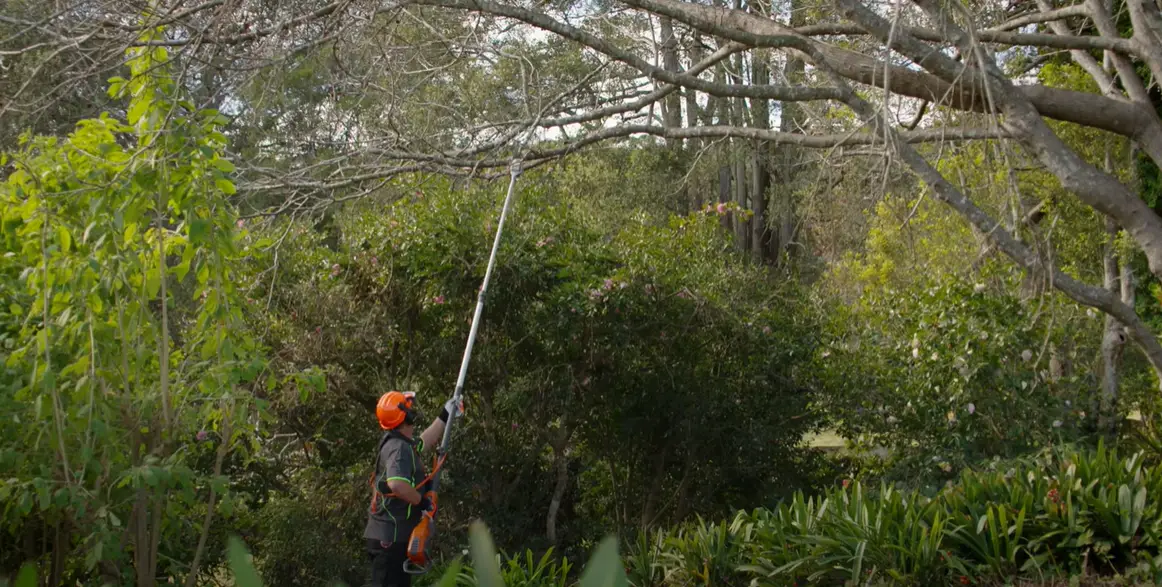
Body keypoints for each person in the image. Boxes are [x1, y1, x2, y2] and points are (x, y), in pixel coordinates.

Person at [364, 391, 462, 587]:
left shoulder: (401, 443)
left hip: (393, 537)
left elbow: (423, 442)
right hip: (389, 539)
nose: (411, 409)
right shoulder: (398, 448)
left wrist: (445, 415)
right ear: (404, 416)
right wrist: (423, 502)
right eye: (407, 407)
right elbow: (397, 484)